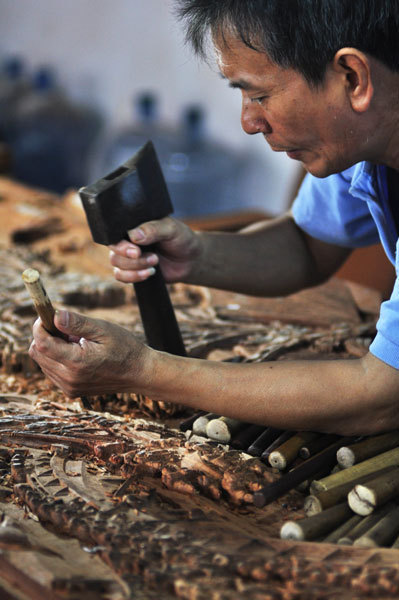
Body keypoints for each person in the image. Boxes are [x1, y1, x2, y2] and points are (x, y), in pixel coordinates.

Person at [30, 0, 399, 436]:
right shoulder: (360, 146)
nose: (248, 121)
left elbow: (379, 397)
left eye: (260, 95)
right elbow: (308, 245)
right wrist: (198, 255)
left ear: (353, 78)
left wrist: (144, 370)